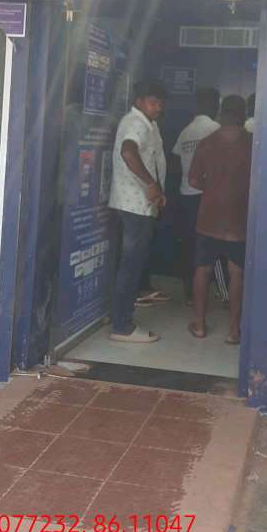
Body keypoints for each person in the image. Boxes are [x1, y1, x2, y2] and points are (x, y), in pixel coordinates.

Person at [188, 95, 252, 344]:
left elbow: (193, 180)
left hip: (209, 218)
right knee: (237, 272)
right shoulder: (252, 143)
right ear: (243, 115)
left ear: (221, 113)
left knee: (202, 270)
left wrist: (213, 187)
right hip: (239, 218)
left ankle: (199, 326)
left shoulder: (207, 142)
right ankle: (234, 331)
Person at [108, 79, 167, 342]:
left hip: (139, 204)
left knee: (130, 265)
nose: (158, 108)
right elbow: (128, 152)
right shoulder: (135, 124)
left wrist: (157, 190)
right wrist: (151, 184)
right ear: (138, 101)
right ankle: (122, 326)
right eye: (153, 102)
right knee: (130, 266)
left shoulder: (147, 123)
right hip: (135, 206)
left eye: (160, 103)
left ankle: (120, 318)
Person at [172, 87, 221, 300]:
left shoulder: (185, 131)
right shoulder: (216, 129)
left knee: (189, 243)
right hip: (208, 196)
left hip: (186, 194)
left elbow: (176, 160)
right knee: (211, 244)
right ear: (214, 105)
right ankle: (218, 290)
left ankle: (190, 292)